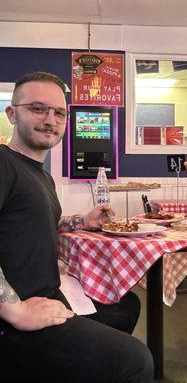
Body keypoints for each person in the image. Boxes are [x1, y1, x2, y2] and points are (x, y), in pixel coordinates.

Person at [0, 71, 153, 382]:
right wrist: (16, 312)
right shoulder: (3, 163)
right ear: (12, 114)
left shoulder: (41, 175)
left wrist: (83, 221)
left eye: (59, 112)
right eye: (37, 108)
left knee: (125, 306)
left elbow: (33, 224)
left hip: (47, 295)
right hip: (14, 320)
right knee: (136, 361)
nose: (50, 120)